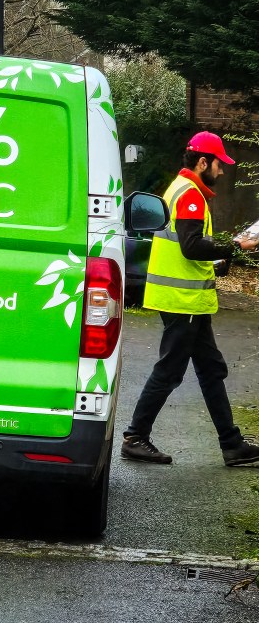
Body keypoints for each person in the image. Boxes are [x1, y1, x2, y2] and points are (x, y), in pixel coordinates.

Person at [122, 131, 259, 466]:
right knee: (170, 371)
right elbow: (191, 245)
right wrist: (235, 246)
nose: (223, 170)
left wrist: (219, 260)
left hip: (188, 301)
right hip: (182, 301)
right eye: (219, 163)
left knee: (211, 369)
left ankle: (232, 444)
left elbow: (189, 250)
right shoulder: (191, 195)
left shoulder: (182, 189)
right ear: (203, 162)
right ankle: (135, 437)